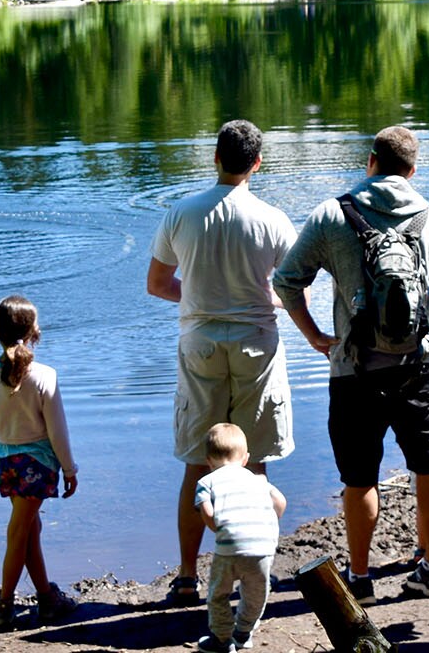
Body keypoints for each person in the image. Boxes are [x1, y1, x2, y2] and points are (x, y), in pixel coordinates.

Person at [274, 126, 429, 604]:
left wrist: (315, 337)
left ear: (370, 161)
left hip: (354, 369)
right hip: (419, 366)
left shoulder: (332, 214)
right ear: (412, 170)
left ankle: (361, 579)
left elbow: (287, 282)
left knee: (359, 476)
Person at [147, 120, 298, 603]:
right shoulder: (272, 219)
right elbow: (294, 289)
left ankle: (188, 577)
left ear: (215, 157)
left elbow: (156, 283)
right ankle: (257, 570)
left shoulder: (181, 214)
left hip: (201, 343)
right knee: (253, 465)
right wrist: (265, 301)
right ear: (257, 163)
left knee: (198, 462)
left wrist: (197, 299)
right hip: (257, 343)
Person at [0, 295, 80, 629]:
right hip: (37, 464)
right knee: (21, 530)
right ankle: (5, 604)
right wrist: (69, 468)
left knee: (30, 529)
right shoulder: (45, 375)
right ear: (34, 331)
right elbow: (57, 430)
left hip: (6, 459)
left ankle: (46, 599)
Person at [192, 423, 288, 652]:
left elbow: (206, 511)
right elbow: (281, 502)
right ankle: (243, 633)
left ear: (209, 460)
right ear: (245, 458)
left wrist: (219, 529)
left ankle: (222, 639)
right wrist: (266, 522)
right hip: (263, 546)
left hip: (229, 546)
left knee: (218, 594)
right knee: (256, 594)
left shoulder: (207, 482)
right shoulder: (259, 480)